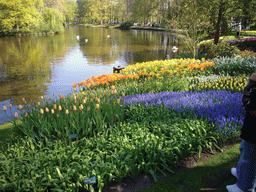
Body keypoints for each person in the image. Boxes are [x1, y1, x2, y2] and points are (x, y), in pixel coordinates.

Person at [226, 72, 256, 192]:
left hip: (253, 126)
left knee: (250, 154)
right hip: (251, 124)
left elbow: (249, 102)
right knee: (245, 149)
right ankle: (242, 173)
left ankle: (244, 187)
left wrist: (252, 81)